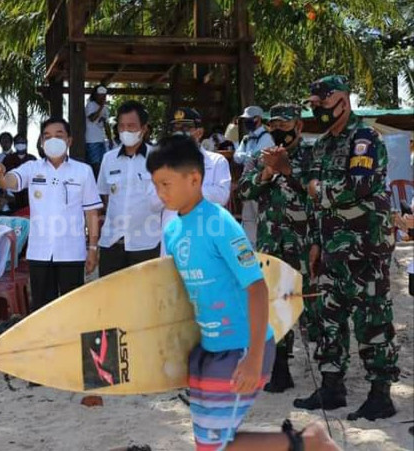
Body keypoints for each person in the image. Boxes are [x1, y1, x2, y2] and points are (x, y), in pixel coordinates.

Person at [147, 134, 338, 451]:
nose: (160, 192)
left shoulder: (219, 223)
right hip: (207, 350)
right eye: (155, 184)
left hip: (242, 349)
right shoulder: (172, 229)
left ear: (194, 179)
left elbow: (256, 287)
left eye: (166, 183)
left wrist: (253, 358)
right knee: (209, 442)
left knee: (214, 447)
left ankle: (308, 442)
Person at [293, 75, 400, 421]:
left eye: (323, 102)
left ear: (343, 99)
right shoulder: (323, 144)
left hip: (365, 246)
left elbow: (360, 185)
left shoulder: (364, 138)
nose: (319, 109)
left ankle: (380, 394)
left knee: (372, 317)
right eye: (314, 105)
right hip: (330, 247)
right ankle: (331, 386)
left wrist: (319, 189)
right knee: (329, 317)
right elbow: (315, 201)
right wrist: (314, 243)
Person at [237, 104, 320, 393]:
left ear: (298, 126)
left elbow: (319, 195)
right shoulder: (262, 157)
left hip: (304, 244)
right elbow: (244, 191)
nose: (278, 132)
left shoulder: (313, 155)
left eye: (284, 126)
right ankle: (280, 369)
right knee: (275, 306)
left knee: (312, 306)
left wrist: (289, 169)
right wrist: (268, 172)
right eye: (274, 126)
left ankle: (330, 375)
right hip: (271, 245)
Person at [0, 118, 102, 311]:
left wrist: (92, 247)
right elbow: (10, 181)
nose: (53, 140)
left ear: (69, 140)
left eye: (59, 135)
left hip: (72, 252)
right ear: (42, 143)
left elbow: (91, 212)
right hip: (39, 252)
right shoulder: (32, 168)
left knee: (73, 308)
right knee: (42, 310)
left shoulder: (83, 171)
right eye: (47, 136)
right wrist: (0, 176)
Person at [97, 100, 162, 277]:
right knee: (111, 299)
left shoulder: (158, 158)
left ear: (144, 128)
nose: (126, 131)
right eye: (122, 126)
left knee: (145, 299)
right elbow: (104, 196)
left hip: (146, 243)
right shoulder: (108, 159)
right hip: (112, 242)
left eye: (132, 126)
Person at [159, 107, 231, 255]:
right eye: (176, 129)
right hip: (173, 238)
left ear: (199, 132)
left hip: (205, 237)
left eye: (186, 128)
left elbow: (222, 195)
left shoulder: (216, 161)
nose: (180, 133)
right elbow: (153, 198)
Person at [234, 106, 275, 246]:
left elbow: (258, 156)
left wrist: (247, 156)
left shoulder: (267, 137)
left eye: (248, 119)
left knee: (259, 219)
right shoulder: (247, 139)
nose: (246, 122)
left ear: (257, 119)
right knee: (248, 219)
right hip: (247, 183)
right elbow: (237, 157)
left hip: (260, 184)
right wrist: (248, 156)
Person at [3, 134, 38, 212]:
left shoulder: (32, 159)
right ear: (14, 144)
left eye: (23, 142)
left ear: (26, 144)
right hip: (12, 194)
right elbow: (3, 176)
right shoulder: (8, 159)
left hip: (29, 195)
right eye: (18, 142)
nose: (21, 144)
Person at [85, 84, 111, 176]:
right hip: (91, 140)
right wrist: (101, 107)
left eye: (104, 94)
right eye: (100, 94)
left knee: (103, 163)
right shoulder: (91, 105)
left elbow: (106, 124)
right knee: (95, 164)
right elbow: (92, 118)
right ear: (96, 94)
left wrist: (110, 138)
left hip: (101, 139)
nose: (103, 96)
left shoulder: (105, 108)